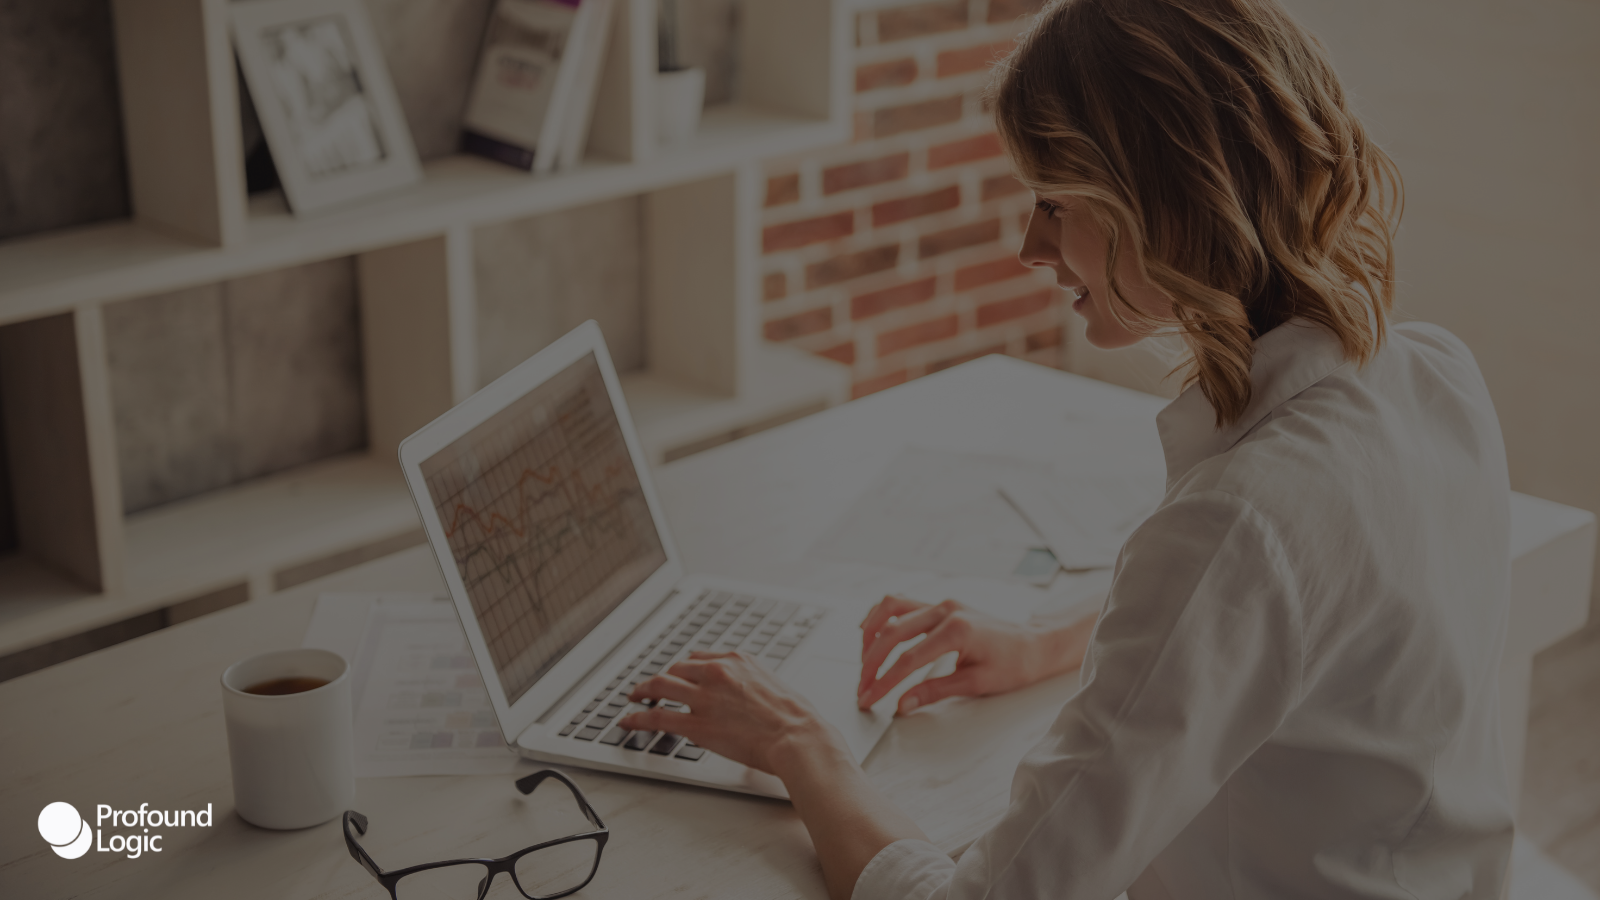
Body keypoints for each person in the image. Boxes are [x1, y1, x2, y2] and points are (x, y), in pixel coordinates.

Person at [620, 0, 1516, 896]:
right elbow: (1289, 608)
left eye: (1054, 202)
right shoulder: (1435, 375)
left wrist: (800, 744)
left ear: (1165, 198)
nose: (1028, 246)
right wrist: (1044, 641)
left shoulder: (1238, 520)